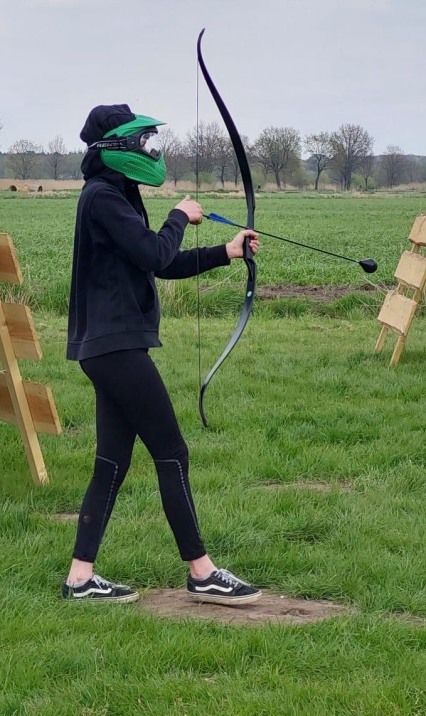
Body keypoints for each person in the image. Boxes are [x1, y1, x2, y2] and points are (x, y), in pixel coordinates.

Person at [63, 104, 262, 604]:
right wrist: (179, 215)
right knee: (172, 452)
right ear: (118, 149)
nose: (153, 150)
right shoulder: (102, 197)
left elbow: (158, 263)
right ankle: (202, 571)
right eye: (144, 142)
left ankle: (80, 579)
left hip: (110, 347)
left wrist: (226, 251)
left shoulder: (119, 196)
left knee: (111, 461)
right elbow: (155, 252)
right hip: (116, 348)